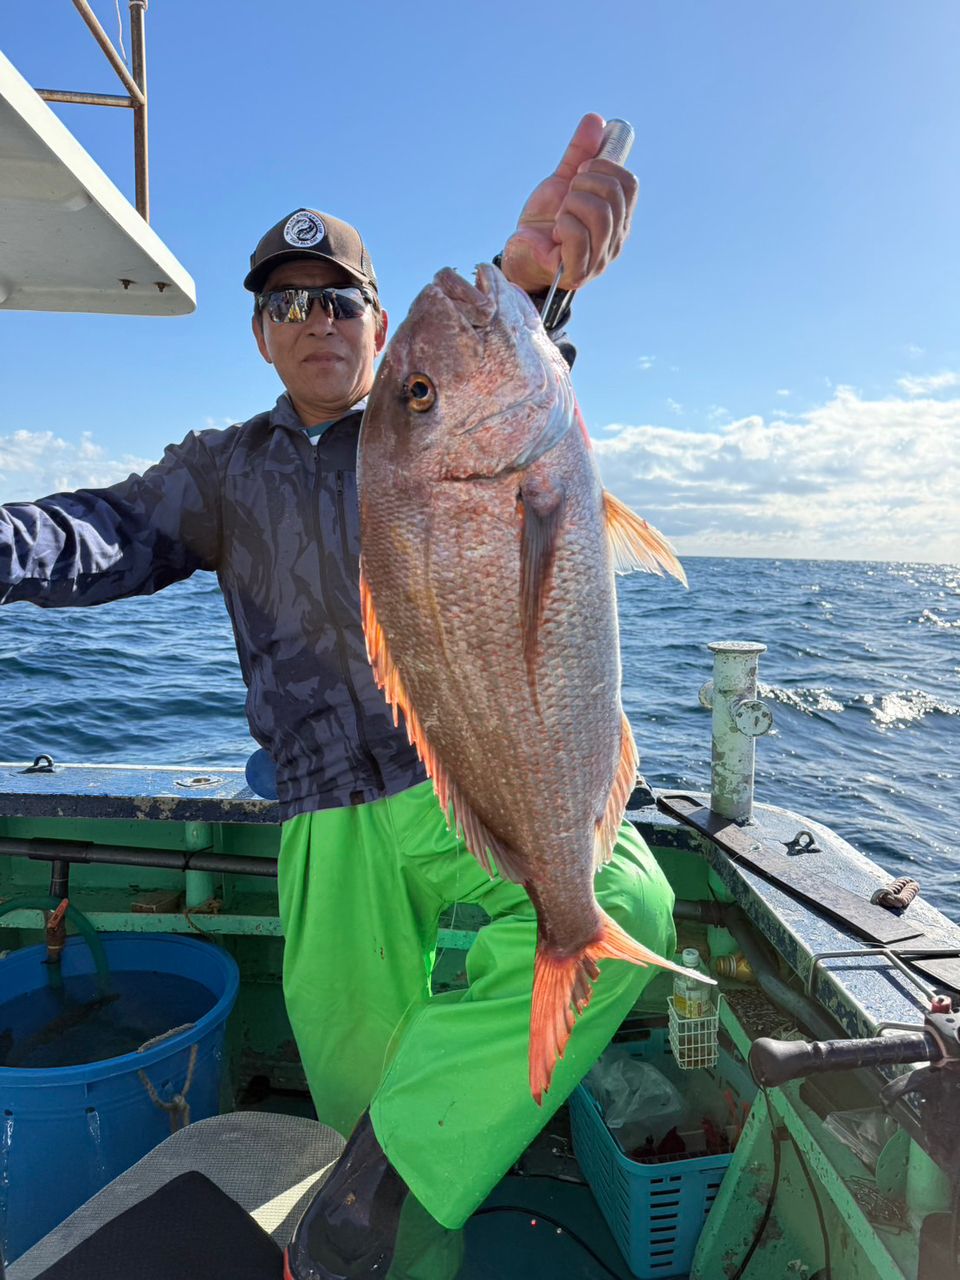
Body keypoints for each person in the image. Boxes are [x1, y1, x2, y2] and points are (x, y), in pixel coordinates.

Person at [0, 115, 676, 1280]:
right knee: (362, 1087)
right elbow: (96, 532)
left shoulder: (422, 424)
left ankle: (381, 1175)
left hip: (452, 780)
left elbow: (491, 398)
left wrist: (535, 289)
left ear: (376, 326)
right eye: (289, 303)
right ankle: (386, 1237)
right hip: (322, 821)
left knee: (627, 906)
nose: (319, 320)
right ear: (262, 335)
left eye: (341, 299)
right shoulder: (218, 470)